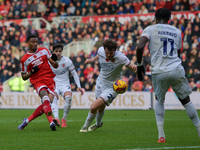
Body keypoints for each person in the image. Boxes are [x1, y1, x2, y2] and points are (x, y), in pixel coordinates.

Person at [136, 8, 200, 143]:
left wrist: (140, 64)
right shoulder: (177, 31)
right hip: (176, 69)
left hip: (159, 71)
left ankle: (161, 135)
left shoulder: (150, 29)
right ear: (169, 18)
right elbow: (177, 52)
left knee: (159, 100)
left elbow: (140, 47)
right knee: (186, 101)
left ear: (155, 17)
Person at [79, 39, 137, 132]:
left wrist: (134, 67)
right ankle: (98, 124)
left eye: (111, 53)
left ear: (115, 51)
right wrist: (92, 59)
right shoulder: (101, 50)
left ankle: (85, 127)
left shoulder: (121, 57)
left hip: (113, 86)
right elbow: (99, 55)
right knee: (101, 107)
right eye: (107, 53)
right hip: (100, 82)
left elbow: (130, 65)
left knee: (94, 106)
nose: (109, 55)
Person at [18, 34, 60, 131]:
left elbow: (55, 66)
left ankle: (27, 121)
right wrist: (31, 72)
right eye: (33, 42)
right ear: (27, 43)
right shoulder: (24, 59)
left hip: (50, 80)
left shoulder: (44, 50)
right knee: (45, 98)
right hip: (38, 81)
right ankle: (51, 123)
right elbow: (24, 77)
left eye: (36, 41)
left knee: (47, 104)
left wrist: (55, 61)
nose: (35, 43)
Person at [50, 43, 84, 127]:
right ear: (53, 51)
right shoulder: (49, 61)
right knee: (53, 99)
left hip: (65, 84)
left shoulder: (67, 61)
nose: (58, 53)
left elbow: (74, 73)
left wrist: (79, 86)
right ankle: (56, 118)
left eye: (60, 51)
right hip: (54, 85)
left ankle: (64, 119)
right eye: (56, 51)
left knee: (69, 98)